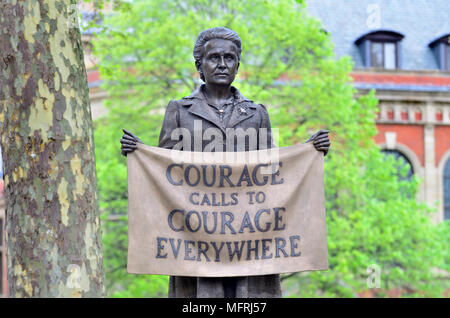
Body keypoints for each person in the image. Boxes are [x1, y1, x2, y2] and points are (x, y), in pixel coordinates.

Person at [120, 27, 330, 298]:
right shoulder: (180, 111)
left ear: (237, 65)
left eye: (229, 58)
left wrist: (308, 152)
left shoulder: (257, 114)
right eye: (214, 57)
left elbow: (274, 176)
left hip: (250, 244)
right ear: (199, 65)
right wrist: (139, 154)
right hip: (196, 246)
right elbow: (163, 175)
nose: (222, 64)